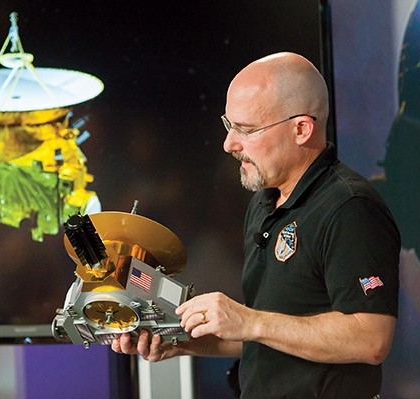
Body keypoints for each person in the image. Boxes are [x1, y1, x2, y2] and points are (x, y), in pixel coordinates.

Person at [111, 52, 400, 398]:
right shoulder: (265, 202)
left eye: (246, 130)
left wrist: (250, 320)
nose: (229, 144)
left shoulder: (349, 208)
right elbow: (269, 336)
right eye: (229, 125)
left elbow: (371, 339)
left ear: (302, 129)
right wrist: (182, 342)